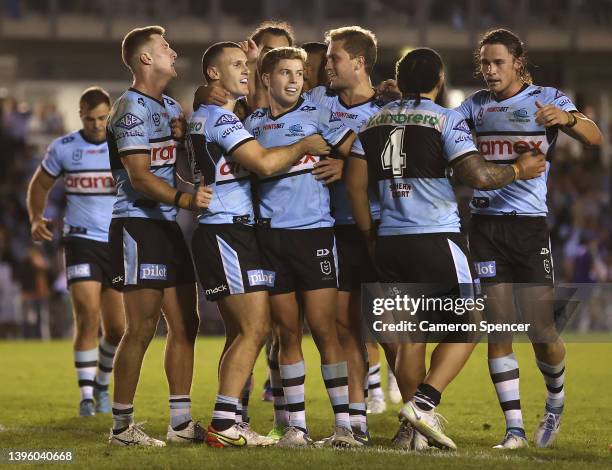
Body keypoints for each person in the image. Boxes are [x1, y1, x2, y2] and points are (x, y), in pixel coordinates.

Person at [346, 47, 546, 451]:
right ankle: (424, 402)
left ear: (400, 81)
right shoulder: (445, 119)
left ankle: (411, 433)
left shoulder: (370, 122)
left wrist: (370, 235)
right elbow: (478, 176)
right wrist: (520, 170)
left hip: (389, 241)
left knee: (410, 338)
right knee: (474, 324)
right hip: (435, 239)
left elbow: (353, 185)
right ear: (440, 80)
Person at [456, 28, 602, 449]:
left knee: (540, 331)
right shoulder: (473, 107)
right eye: (484, 62)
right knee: (499, 328)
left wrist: (569, 119)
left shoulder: (546, 99)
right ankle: (514, 430)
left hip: (528, 226)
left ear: (518, 62)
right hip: (484, 226)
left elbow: (594, 137)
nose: (489, 70)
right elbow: (442, 125)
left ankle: (555, 402)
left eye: (497, 62)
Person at [187, 41, 331, 447]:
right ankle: (223, 425)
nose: (245, 70)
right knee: (256, 329)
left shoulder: (207, 114)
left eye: (246, 64)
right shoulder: (224, 119)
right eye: (236, 65)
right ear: (214, 75)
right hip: (227, 231)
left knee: (240, 333)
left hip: (225, 231)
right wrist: (304, 146)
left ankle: (230, 419)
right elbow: (266, 164)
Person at [243, 46, 357, 447]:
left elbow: (360, 151)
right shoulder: (252, 122)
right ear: (266, 79)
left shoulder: (318, 115)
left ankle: (344, 426)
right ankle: (298, 427)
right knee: (287, 333)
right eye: (286, 73)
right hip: (270, 239)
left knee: (326, 330)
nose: (295, 80)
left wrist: (344, 166)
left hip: (314, 235)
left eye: (300, 73)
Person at [106, 25, 212, 447]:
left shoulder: (170, 107)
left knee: (186, 322)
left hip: (166, 224)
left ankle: (181, 423)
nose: (173, 51)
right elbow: (139, 177)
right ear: (144, 59)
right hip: (138, 223)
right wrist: (187, 200)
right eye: (165, 47)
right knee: (142, 327)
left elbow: (177, 168)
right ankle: (121, 428)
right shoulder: (129, 108)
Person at [302, 25, 391, 443]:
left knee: (392, 332)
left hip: (378, 228)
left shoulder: (389, 107)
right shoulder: (320, 99)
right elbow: (306, 135)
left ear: (358, 62)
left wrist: (353, 167)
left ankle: (418, 419)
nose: (326, 65)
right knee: (344, 328)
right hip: (333, 229)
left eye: (334, 58)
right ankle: (355, 424)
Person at [27, 87, 125, 417]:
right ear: (80, 114)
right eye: (90, 118)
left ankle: (101, 383)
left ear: (110, 114)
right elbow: (39, 184)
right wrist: (35, 217)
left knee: (117, 329)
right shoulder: (65, 148)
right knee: (86, 316)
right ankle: (86, 396)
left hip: (117, 242)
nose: (97, 125)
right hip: (80, 241)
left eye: (103, 118)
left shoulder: (124, 145)